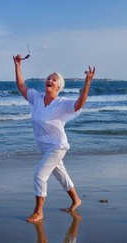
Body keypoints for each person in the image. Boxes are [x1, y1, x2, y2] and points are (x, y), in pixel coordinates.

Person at [13, 53, 95, 223]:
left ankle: (39, 212)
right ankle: (76, 200)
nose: (49, 80)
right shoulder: (36, 98)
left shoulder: (62, 103)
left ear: (58, 87)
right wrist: (18, 65)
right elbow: (21, 86)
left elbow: (79, 104)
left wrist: (87, 83)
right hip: (45, 148)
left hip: (57, 147)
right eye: (48, 78)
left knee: (39, 175)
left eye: (54, 79)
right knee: (61, 175)